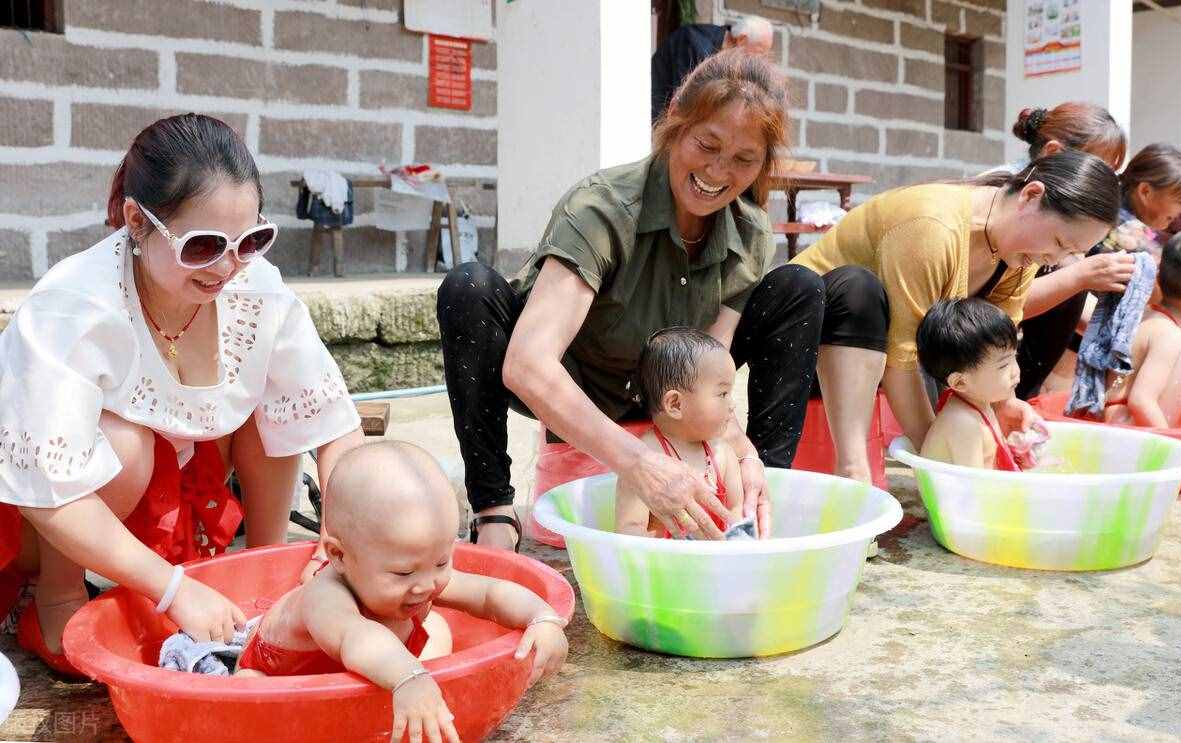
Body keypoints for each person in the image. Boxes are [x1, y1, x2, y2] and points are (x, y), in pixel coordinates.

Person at [0, 114, 364, 675]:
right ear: (136, 222)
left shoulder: (253, 286)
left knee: (275, 397)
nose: (228, 267)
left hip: (177, 491)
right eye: (203, 246)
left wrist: (343, 533)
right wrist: (174, 591)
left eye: (251, 241)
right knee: (123, 444)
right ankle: (56, 598)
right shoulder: (74, 307)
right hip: (49, 511)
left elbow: (334, 425)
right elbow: (48, 490)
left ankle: (267, 568)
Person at [438, 51, 823, 550]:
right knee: (469, 290)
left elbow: (711, 363)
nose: (718, 171)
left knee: (799, 289)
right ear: (675, 126)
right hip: (581, 380)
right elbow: (528, 366)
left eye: (744, 160)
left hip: (670, 388)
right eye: (707, 144)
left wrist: (740, 449)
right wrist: (641, 465)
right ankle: (493, 513)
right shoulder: (603, 208)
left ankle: (760, 499)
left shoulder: (748, 232)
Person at [789, 149, 1121, 481]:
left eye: (1069, 252)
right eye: (1059, 241)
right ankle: (852, 465)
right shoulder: (933, 228)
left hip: (881, 351)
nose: (1054, 257)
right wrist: (940, 458)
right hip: (804, 343)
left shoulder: (1019, 255)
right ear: (1031, 196)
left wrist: (1003, 404)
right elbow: (899, 358)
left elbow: (991, 348)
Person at [236, 441, 568, 743]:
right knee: (248, 698)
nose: (427, 584)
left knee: (435, 625)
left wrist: (542, 618)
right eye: (404, 572)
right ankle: (408, 685)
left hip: (376, 659)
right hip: (281, 680)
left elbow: (488, 595)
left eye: (441, 561)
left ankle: (414, 692)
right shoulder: (324, 597)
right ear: (338, 556)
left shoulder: (418, 575)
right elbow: (358, 638)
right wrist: (409, 676)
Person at [1031, 142, 1181, 396]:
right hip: (1067, 364)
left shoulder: (1116, 217)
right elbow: (1179, 303)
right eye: (1180, 200)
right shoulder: (1131, 238)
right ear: (1145, 191)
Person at [1002, 103, 1135, 400]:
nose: (1105, 184)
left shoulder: (1057, 203)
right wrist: (1079, 275)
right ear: (1053, 152)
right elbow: (998, 302)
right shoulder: (1010, 197)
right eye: (1098, 169)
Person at [615, 328, 748, 539]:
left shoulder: (722, 454)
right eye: (722, 393)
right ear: (675, 404)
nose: (732, 405)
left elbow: (736, 516)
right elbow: (629, 528)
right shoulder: (645, 460)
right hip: (664, 568)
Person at [1097, 230, 1181, 428]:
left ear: (1159, 277)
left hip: (1113, 416)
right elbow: (1141, 400)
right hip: (1127, 427)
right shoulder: (1170, 335)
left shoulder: (1146, 316)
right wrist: (1172, 444)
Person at [917, 299, 1031, 471]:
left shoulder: (980, 404)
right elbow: (972, 487)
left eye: (1014, 356)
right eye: (1003, 365)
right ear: (960, 382)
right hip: (952, 497)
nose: (1015, 370)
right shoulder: (962, 423)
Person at [651, 16, 773, 123]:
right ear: (741, 40)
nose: (759, 61)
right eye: (760, 53)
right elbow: (684, 101)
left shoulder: (728, 57)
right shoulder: (694, 42)